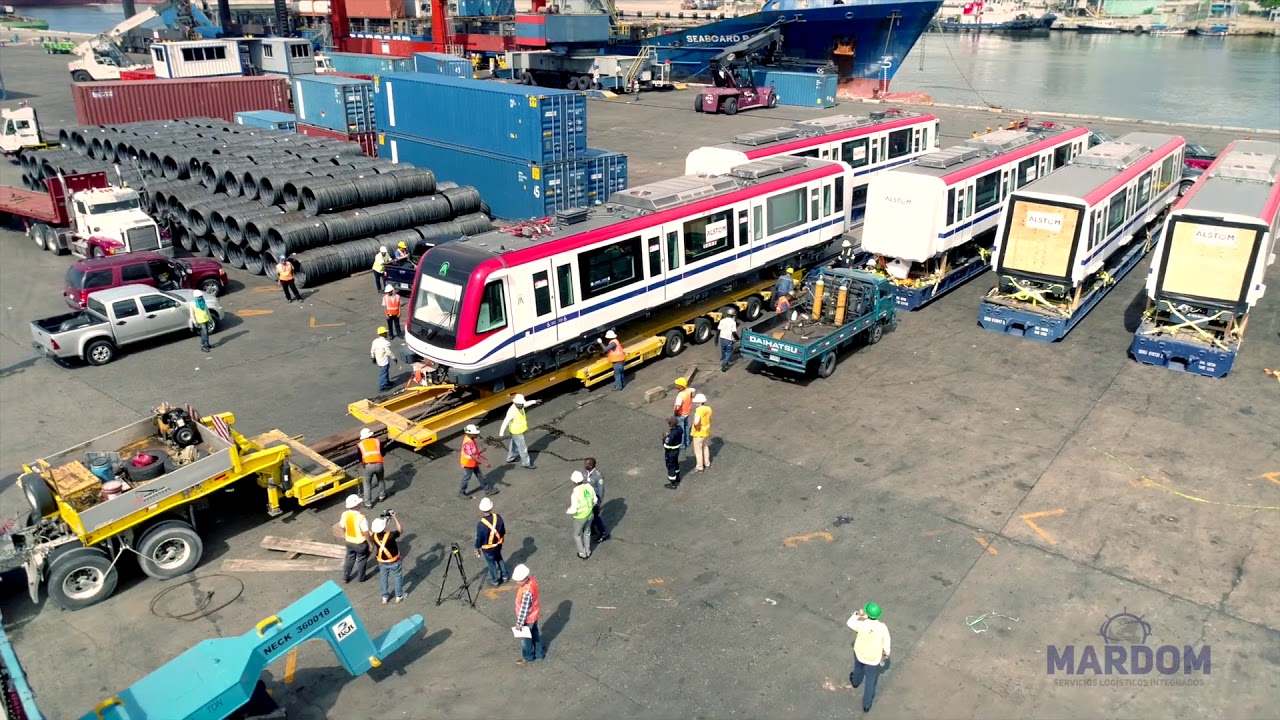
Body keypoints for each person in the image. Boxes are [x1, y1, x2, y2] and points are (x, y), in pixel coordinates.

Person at [847, 602, 892, 713]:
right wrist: (886, 654)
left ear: (866, 613)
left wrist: (857, 614)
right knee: (870, 681)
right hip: (873, 658)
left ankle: (855, 682)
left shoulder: (861, 624)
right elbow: (887, 643)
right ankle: (866, 705)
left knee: (858, 669)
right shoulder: (882, 627)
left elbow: (849, 623)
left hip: (860, 653)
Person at [512, 564, 545, 664]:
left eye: (519, 580)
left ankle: (528, 657)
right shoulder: (532, 581)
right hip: (534, 615)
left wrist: (519, 623)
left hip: (528, 619)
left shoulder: (526, 592)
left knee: (526, 639)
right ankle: (539, 655)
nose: (517, 582)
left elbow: (524, 610)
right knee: (535, 634)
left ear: (525, 578)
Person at [370, 513, 404, 604]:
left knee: (383, 578)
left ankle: (384, 597)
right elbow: (400, 530)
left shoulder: (373, 536)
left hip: (382, 561)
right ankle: (399, 596)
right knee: (397, 577)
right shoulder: (390, 535)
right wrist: (395, 517)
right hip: (394, 561)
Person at [499, 394, 538, 470]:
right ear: (515, 403)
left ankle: (510, 458)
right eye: (519, 404)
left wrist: (535, 401)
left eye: (521, 404)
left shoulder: (521, 405)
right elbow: (505, 422)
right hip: (516, 432)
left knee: (514, 444)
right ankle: (526, 463)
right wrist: (501, 433)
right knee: (523, 448)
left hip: (518, 431)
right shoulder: (511, 412)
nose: (521, 406)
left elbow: (526, 404)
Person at [474, 497, 507, 586]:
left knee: (491, 563)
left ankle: (495, 581)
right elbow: (503, 531)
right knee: (499, 558)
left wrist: (477, 547)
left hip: (488, 548)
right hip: (498, 544)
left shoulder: (481, 524)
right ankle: (505, 576)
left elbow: (479, 539)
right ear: (491, 507)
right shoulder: (498, 517)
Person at [338, 495, 370, 584]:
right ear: (356, 505)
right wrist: (370, 544)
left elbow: (342, 526)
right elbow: (366, 532)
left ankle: (345, 577)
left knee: (349, 559)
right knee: (362, 560)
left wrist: (345, 535)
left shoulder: (345, 514)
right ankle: (361, 578)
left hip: (349, 541)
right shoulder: (361, 518)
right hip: (360, 543)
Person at [566, 471, 597, 559]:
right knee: (587, 532)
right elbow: (595, 500)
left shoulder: (575, 493)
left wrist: (568, 511)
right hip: (590, 514)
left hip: (580, 517)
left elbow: (574, 508)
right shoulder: (589, 487)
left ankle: (582, 553)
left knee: (577, 535)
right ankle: (588, 551)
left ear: (573, 481)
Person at [459, 424, 494, 497]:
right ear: (470, 434)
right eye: (475, 434)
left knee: (480, 475)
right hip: (468, 464)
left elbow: (472, 452)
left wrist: (480, 451)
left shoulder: (469, 438)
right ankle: (461, 493)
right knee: (467, 478)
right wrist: (484, 463)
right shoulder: (468, 443)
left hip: (472, 462)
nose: (477, 435)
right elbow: (472, 456)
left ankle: (487, 489)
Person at [358, 427, 386, 508]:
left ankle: (368, 503)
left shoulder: (361, 444)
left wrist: (362, 461)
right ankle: (382, 496)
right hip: (379, 464)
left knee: (367, 484)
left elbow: (359, 456)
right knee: (380, 480)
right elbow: (383, 452)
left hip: (368, 466)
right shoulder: (377, 441)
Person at [585, 458, 609, 543]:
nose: (585, 465)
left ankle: (603, 533)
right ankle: (592, 529)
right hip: (587, 499)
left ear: (591, 465)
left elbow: (601, 490)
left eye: (586, 464)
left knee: (595, 517)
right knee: (588, 515)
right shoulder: (585, 472)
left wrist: (599, 501)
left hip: (594, 499)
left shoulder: (598, 476)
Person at [371, 326, 397, 394]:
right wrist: (394, 358)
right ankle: (382, 387)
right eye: (385, 333)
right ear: (383, 334)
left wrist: (373, 357)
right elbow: (388, 352)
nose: (386, 334)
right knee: (384, 373)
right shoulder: (386, 343)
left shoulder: (375, 341)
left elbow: (372, 350)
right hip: (384, 361)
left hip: (378, 359)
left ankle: (387, 382)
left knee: (385, 371)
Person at [690, 394, 712, 472]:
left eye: (696, 403)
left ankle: (700, 467)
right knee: (705, 447)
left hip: (698, 433)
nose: (695, 404)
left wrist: (696, 426)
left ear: (699, 403)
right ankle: (707, 463)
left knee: (698, 450)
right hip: (706, 431)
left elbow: (696, 422)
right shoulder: (708, 409)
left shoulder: (699, 411)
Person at [673, 377, 695, 450]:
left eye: (676, 384)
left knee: (681, 430)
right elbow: (693, 390)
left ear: (680, 386)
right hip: (687, 413)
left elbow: (677, 407)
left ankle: (682, 445)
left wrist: (675, 413)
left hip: (681, 414)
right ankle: (687, 442)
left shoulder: (680, 395)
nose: (675, 385)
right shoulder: (688, 390)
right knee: (686, 427)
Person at [662, 416, 683, 489]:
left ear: (671, 424)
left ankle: (673, 483)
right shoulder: (679, 429)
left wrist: (664, 438)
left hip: (670, 452)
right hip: (676, 450)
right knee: (676, 463)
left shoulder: (671, 435)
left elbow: (666, 446)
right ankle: (677, 477)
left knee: (670, 466)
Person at [717, 308, 738, 372]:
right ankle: (724, 363)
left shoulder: (722, 321)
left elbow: (718, 330)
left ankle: (724, 359)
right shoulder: (733, 322)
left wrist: (716, 338)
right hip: (728, 339)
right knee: (729, 352)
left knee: (723, 350)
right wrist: (737, 338)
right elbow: (733, 332)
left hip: (722, 338)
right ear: (733, 315)